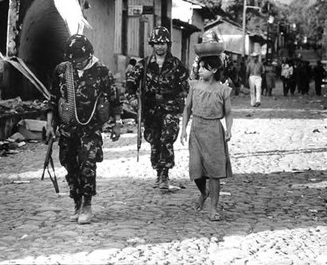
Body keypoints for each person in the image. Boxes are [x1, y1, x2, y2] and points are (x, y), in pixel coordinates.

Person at [45, 34, 122, 225]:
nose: (77, 64)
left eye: (80, 60)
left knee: (87, 164)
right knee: (70, 164)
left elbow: (114, 100)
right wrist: (49, 124)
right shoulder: (62, 70)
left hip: (90, 128)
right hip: (67, 128)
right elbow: (53, 99)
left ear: (89, 55)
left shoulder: (101, 71)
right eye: (73, 60)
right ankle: (76, 201)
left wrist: (117, 124)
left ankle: (87, 204)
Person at [126, 26, 190, 190]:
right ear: (152, 44)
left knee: (167, 138)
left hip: (170, 109)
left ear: (168, 44)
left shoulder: (176, 65)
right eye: (157, 43)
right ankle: (158, 171)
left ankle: (165, 175)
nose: (160, 46)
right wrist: (132, 98)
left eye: (163, 43)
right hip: (151, 110)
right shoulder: (144, 64)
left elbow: (188, 86)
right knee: (154, 141)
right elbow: (130, 83)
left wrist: (186, 101)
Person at [180, 55, 233, 222]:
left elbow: (229, 112)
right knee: (196, 170)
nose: (199, 70)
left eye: (204, 67)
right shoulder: (194, 86)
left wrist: (229, 129)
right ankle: (204, 192)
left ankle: (213, 208)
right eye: (199, 67)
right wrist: (183, 129)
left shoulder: (223, 90)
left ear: (215, 70)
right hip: (197, 129)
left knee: (215, 172)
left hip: (214, 131)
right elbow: (187, 108)